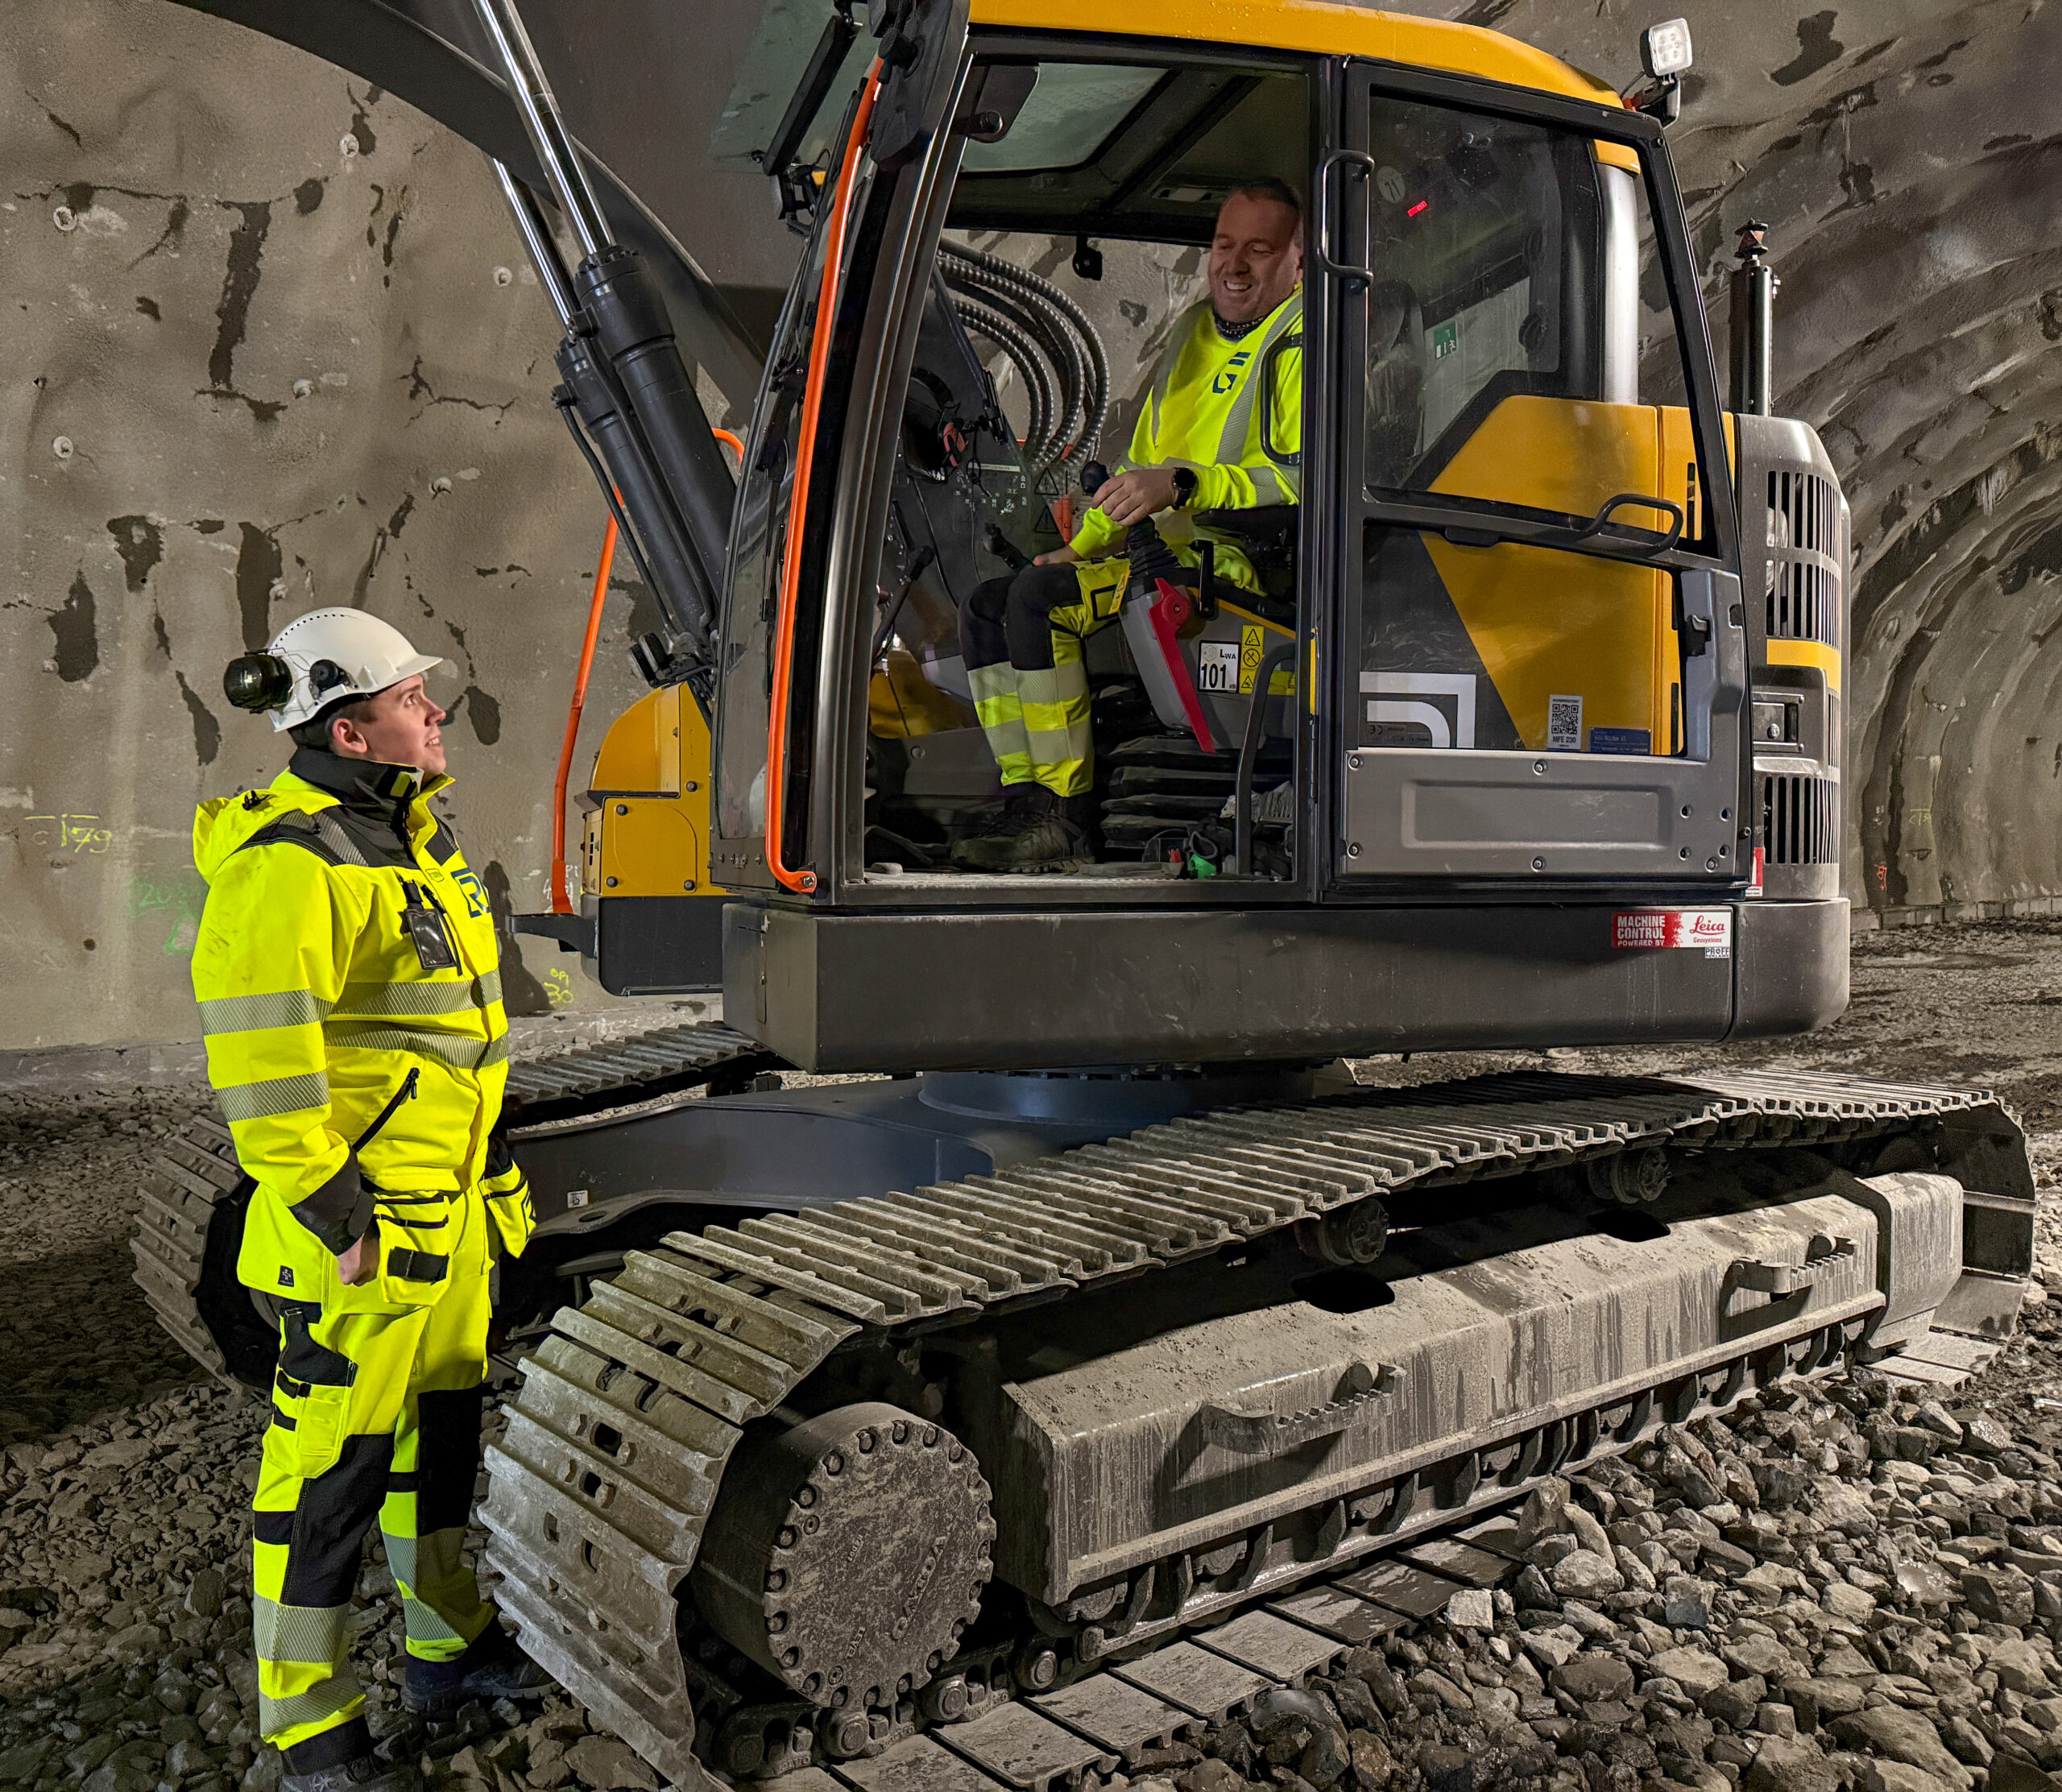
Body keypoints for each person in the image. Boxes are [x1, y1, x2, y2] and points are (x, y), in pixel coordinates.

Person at [191, 608, 551, 1792]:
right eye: (412, 696)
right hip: (360, 1242)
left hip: (441, 1227)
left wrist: (490, 1183)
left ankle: (445, 1650)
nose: (434, 710)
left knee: (436, 1451)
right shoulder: (291, 865)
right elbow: (264, 1072)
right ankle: (310, 1736)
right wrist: (340, 1216)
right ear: (355, 727)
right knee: (324, 1489)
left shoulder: (408, 844)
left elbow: (450, 1051)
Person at [955, 177, 1305, 871]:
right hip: (1155, 552)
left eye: (1259, 250)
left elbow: (1299, 484)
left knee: (1038, 605)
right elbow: (1133, 475)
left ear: (1299, 261)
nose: (1233, 265)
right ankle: (1026, 792)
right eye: (1223, 245)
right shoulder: (1189, 339)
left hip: (1234, 564)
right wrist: (1076, 547)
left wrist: (1183, 485)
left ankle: (1065, 814)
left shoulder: (1303, 346)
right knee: (989, 605)